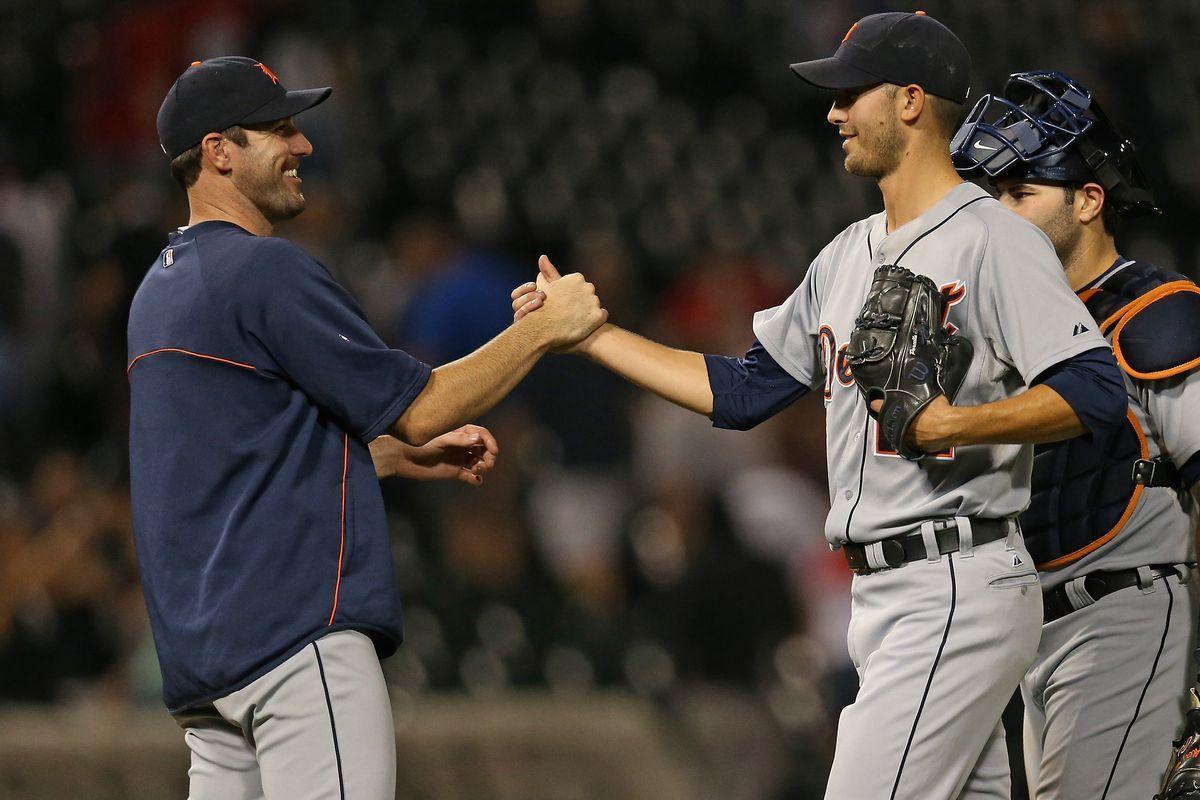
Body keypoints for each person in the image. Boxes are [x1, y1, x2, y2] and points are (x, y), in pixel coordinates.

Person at [513, 12, 1129, 799]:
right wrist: (592, 336)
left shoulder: (993, 241)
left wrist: (954, 424)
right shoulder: (846, 254)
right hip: (883, 596)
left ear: (910, 101)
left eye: (850, 92)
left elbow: (1094, 389)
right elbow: (742, 392)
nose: (833, 111)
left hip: (955, 578)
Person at [128, 57, 605, 799]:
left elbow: (230, 458)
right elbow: (424, 405)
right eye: (278, 128)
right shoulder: (265, 271)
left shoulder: (159, 289)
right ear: (219, 150)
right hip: (294, 645)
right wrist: (544, 332)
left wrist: (380, 457)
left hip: (209, 676)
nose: (304, 145)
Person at [951, 69, 1200, 800]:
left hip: (1128, 616)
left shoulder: (1157, 311)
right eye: (990, 196)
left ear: (1089, 199)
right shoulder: (1002, 329)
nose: (998, 215)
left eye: (1020, 193)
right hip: (1033, 640)